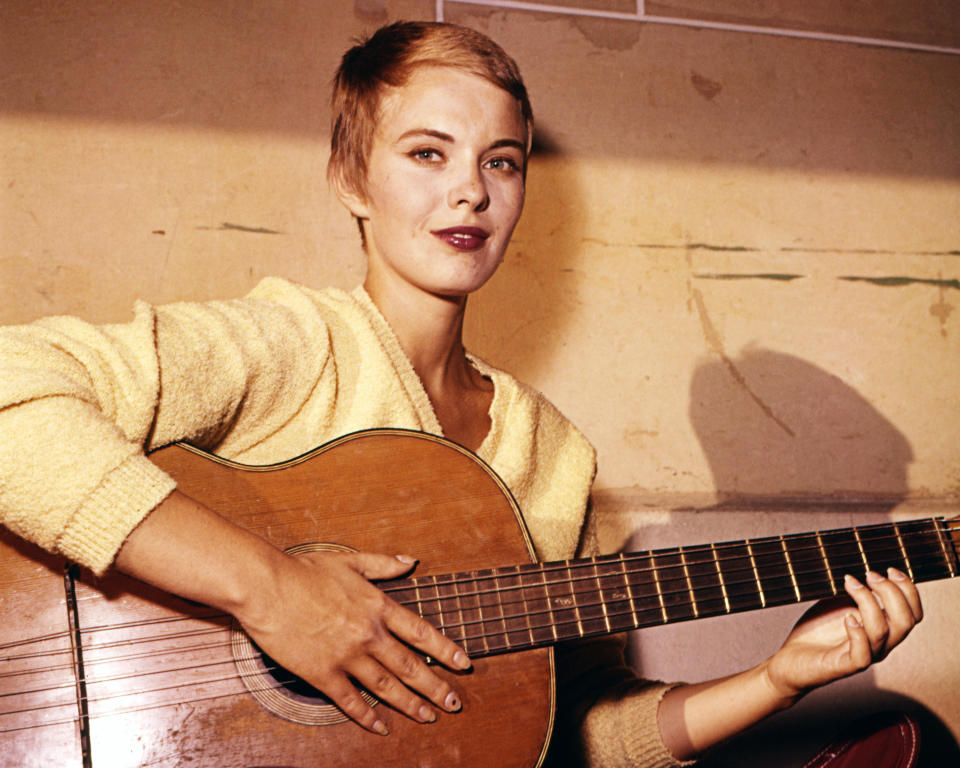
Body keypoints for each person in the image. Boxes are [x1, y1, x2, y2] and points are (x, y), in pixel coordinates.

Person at [0, 20, 923, 767]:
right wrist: (272, 589)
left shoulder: (553, 457)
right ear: (350, 181)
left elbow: (571, 732)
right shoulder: (296, 345)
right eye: (427, 154)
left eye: (501, 161)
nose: (470, 194)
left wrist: (782, 678)